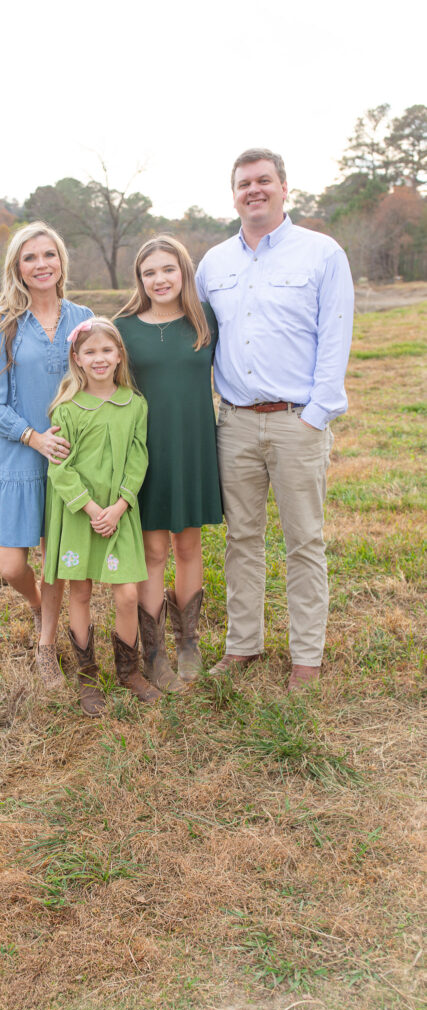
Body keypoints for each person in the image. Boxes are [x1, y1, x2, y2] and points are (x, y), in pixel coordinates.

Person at [195, 147, 354, 692]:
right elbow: (196, 338)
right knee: (242, 538)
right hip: (234, 422)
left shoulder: (322, 254)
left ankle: (306, 657)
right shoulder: (213, 264)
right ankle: (243, 645)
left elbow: (335, 338)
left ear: (285, 187)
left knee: (304, 539)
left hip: (296, 422)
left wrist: (315, 415)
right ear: (233, 193)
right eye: (244, 183)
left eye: (264, 181)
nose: (253, 190)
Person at [0, 222, 93, 687]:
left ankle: (46, 645)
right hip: (20, 455)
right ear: (17, 268)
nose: (41, 264)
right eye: (30, 258)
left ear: (61, 261)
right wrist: (32, 436)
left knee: (56, 555)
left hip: (68, 455)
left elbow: (98, 376)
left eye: (49, 255)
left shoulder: (81, 317)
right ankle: (40, 605)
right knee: (12, 566)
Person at [115, 237, 223, 691]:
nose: (160, 279)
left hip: (195, 444)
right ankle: (154, 653)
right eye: (149, 272)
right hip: (149, 450)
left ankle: (188, 643)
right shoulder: (124, 328)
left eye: (168, 269)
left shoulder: (206, 320)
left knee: (189, 546)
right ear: (139, 280)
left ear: (184, 272)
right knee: (154, 551)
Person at [43, 317, 162, 715]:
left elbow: (138, 456)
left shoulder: (135, 404)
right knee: (79, 592)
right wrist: (93, 509)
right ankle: (88, 676)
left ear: (119, 355)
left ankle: (129, 671)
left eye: (106, 350)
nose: (99, 358)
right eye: (90, 352)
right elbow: (59, 468)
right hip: (82, 514)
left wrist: (120, 506)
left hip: (119, 513)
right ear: (76, 358)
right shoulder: (68, 408)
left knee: (127, 593)